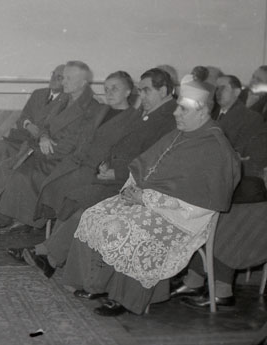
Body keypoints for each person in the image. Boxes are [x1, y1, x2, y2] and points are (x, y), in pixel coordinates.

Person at [62, 79, 240, 316]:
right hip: (147, 200)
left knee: (128, 228)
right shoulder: (179, 134)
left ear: (203, 111)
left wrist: (147, 199)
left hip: (181, 218)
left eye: (183, 109)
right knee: (94, 215)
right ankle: (96, 284)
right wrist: (132, 189)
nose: (175, 113)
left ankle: (124, 297)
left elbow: (200, 202)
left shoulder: (215, 147)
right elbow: (143, 166)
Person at [10, 68, 178, 272]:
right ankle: (49, 254)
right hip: (113, 173)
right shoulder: (149, 114)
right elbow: (122, 148)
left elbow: (156, 162)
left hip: (135, 186)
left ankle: (47, 254)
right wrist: (108, 164)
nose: (141, 96)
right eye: (140, 91)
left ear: (163, 91)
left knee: (82, 205)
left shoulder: (168, 119)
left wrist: (117, 172)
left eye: (146, 90)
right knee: (71, 197)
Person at [170, 74, 267, 308]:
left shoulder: (251, 118)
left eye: (224, 87)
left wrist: (230, 161)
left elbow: (255, 160)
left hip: (244, 192)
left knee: (215, 217)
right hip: (218, 182)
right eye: (217, 88)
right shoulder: (214, 116)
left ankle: (220, 288)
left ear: (237, 91)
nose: (218, 91)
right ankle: (194, 278)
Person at [0, 60, 103, 233]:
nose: (63, 81)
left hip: (62, 162)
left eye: (68, 78)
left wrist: (42, 149)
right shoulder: (64, 99)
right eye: (63, 77)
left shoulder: (93, 108)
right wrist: (43, 137)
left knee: (21, 173)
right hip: (45, 152)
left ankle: (9, 217)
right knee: (8, 166)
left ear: (83, 83)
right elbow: (43, 124)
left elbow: (76, 146)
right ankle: (10, 216)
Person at [0, 65, 68, 213]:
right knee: (0, 148)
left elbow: (55, 129)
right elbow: (22, 118)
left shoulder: (67, 101)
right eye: (53, 74)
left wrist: (40, 133)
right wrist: (28, 125)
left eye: (59, 77)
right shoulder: (38, 94)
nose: (53, 79)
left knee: (6, 159)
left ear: (67, 81)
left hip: (37, 146)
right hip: (22, 139)